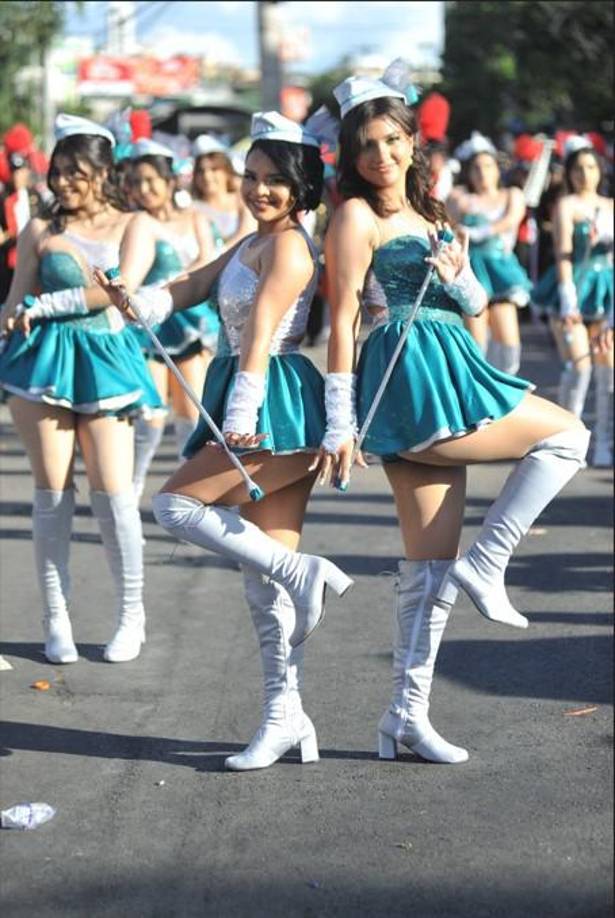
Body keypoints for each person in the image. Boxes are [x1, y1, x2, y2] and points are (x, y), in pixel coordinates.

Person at [319, 65, 589, 765]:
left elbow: (470, 304)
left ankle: (403, 720)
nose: (380, 155)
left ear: (413, 143)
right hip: (408, 375)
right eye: (366, 145)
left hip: (449, 364)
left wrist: (456, 271)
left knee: (427, 567)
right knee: (568, 435)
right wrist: (338, 421)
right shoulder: (354, 216)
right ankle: (490, 561)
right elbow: (344, 316)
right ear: (350, 156)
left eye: (390, 140)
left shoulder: (431, 214)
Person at [95, 110, 353, 772]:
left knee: (174, 507)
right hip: (251, 387)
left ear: (299, 187)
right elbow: (193, 284)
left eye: (273, 181)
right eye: (251, 176)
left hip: (272, 397)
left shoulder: (291, 245)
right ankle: (284, 717)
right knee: (259, 577)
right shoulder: (250, 241)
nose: (258, 189)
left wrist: (244, 408)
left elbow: (264, 331)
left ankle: (307, 574)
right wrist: (140, 300)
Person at [0, 114, 163, 664]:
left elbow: (121, 293)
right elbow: (12, 301)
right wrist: (11, 315)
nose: (65, 182)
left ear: (104, 172)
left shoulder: (135, 224)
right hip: (42, 364)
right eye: (60, 171)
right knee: (51, 494)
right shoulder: (40, 229)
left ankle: (132, 614)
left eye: (78, 172)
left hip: (108, 363)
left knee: (114, 493)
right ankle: (56, 618)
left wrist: (41, 306)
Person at [121, 139, 218, 498]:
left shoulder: (196, 217)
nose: (144, 189)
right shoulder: (138, 222)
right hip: (152, 323)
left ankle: (183, 490)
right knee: (151, 413)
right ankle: (131, 486)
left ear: (169, 180)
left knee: (192, 411)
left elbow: (208, 262)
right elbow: (132, 273)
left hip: (192, 321)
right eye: (137, 182)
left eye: (151, 180)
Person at [532, 137, 613, 468]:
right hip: (575, 287)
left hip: (607, 288)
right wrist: (568, 297)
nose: (585, 173)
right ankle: (571, 437)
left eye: (591, 167)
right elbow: (563, 251)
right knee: (580, 365)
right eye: (578, 168)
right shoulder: (565, 205)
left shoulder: (610, 206)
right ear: (569, 173)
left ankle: (604, 440)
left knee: (607, 368)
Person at [447, 131, 532, 375]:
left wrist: (475, 231)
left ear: (498, 168)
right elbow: (447, 228)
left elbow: (509, 222)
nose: (482, 172)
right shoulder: (461, 198)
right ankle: (477, 401)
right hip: (472, 273)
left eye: (487, 165)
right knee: (476, 344)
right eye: (476, 167)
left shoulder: (511, 195)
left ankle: (505, 399)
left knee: (509, 345)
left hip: (501, 271)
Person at [190, 134, 256, 250]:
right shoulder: (193, 208)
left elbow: (247, 233)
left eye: (214, 169)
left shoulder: (243, 199)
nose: (207, 176)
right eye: (201, 171)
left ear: (226, 171)